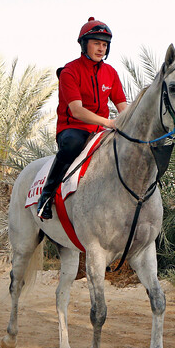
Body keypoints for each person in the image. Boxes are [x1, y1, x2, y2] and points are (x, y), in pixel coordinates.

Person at [36, 17, 128, 219]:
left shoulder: (111, 73)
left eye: (105, 45)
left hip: (100, 131)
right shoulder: (70, 71)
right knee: (71, 145)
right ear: (84, 45)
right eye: (96, 43)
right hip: (73, 129)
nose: (101, 48)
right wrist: (109, 123)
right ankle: (46, 197)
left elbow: (123, 107)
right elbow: (77, 110)